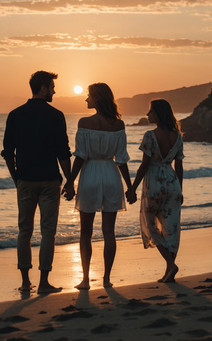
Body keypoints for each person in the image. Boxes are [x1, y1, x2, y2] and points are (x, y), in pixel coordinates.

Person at [1, 70, 73, 294]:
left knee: (25, 230)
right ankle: (43, 283)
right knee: (48, 232)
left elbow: (8, 152)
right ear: (43, 88)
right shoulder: (56, 115)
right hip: (50, 180)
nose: (54, 91)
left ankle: (24, 282)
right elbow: (63, 153)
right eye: (52, 87)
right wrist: (70, 181)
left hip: (25, 180)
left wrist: (17, 178)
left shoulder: (15, 114)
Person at [65, 83, 134, 289]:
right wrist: (130, 187)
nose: (86, 100)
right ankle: (106, 279)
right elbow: (121, 159)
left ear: (97, 98)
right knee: (109, 232)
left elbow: (80, 156)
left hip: (90, 176)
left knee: (86, 232)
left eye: (89, 96)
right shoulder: (119, 125)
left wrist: (70, 182)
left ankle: (86, 280)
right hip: (111, 176)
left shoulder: (84, 122)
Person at [127, 99, 184, 283]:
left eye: (150, 111)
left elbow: (144, 166)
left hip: (154, 183)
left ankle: (170, 264)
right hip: (173, 182)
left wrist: (132, 189)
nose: (147, 114)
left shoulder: (150, 136)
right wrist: (180, 190)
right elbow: (179, 165)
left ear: (158, 114)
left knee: (151, 225)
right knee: (171, 228)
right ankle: (169, 270)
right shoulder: (177, 136)